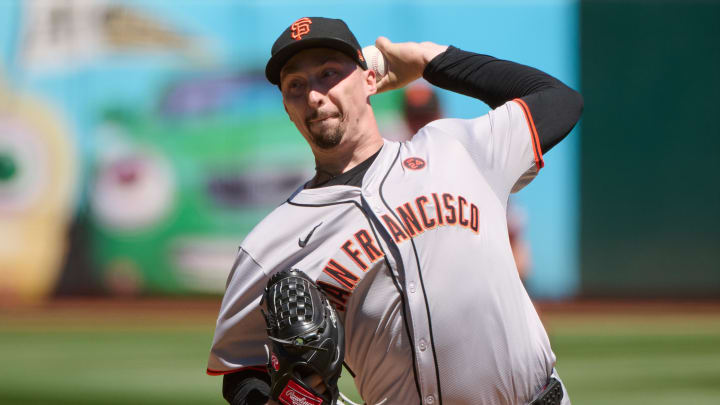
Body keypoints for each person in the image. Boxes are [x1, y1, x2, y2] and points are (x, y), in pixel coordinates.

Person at [207, 16, 582, 405]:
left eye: (328, 73)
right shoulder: (269, 243)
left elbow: (558, 99)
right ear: (288, 108)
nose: (314, 96)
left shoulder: (457, 149)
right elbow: (241, 370)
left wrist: (428, 59)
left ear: (370, 78)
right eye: (295, 86)